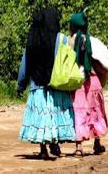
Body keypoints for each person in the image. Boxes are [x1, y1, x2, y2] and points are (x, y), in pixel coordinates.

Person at [17, 8, 76, 159]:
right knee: (54, 116)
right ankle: (55, 143)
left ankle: (43, 149)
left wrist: (20, 85)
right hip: (57, 86)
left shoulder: (32, 41)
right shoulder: (62, 39)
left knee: (42, 117)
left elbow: (25, 65)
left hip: (37, 87)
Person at [68, 12, 108, 156]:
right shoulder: (94, 41)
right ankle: (97, 143)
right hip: (93, 81)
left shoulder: (69, 41)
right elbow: (107, 63)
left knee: (79, 112)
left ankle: (79, 147)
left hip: (77, 82)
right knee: (95, 111)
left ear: (72, 26)